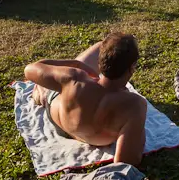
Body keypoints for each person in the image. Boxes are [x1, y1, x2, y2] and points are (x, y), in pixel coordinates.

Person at [25, 33, 148, 166]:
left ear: (100, 63)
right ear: (132, 67)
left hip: (61, 122)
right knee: (51, 90)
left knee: (98, 47)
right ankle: (42, 92)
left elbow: (30, 69)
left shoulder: (75, 78)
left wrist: (75, 64)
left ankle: (42, 93)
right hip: (96, 139)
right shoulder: (134, 105)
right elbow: (127, 162)